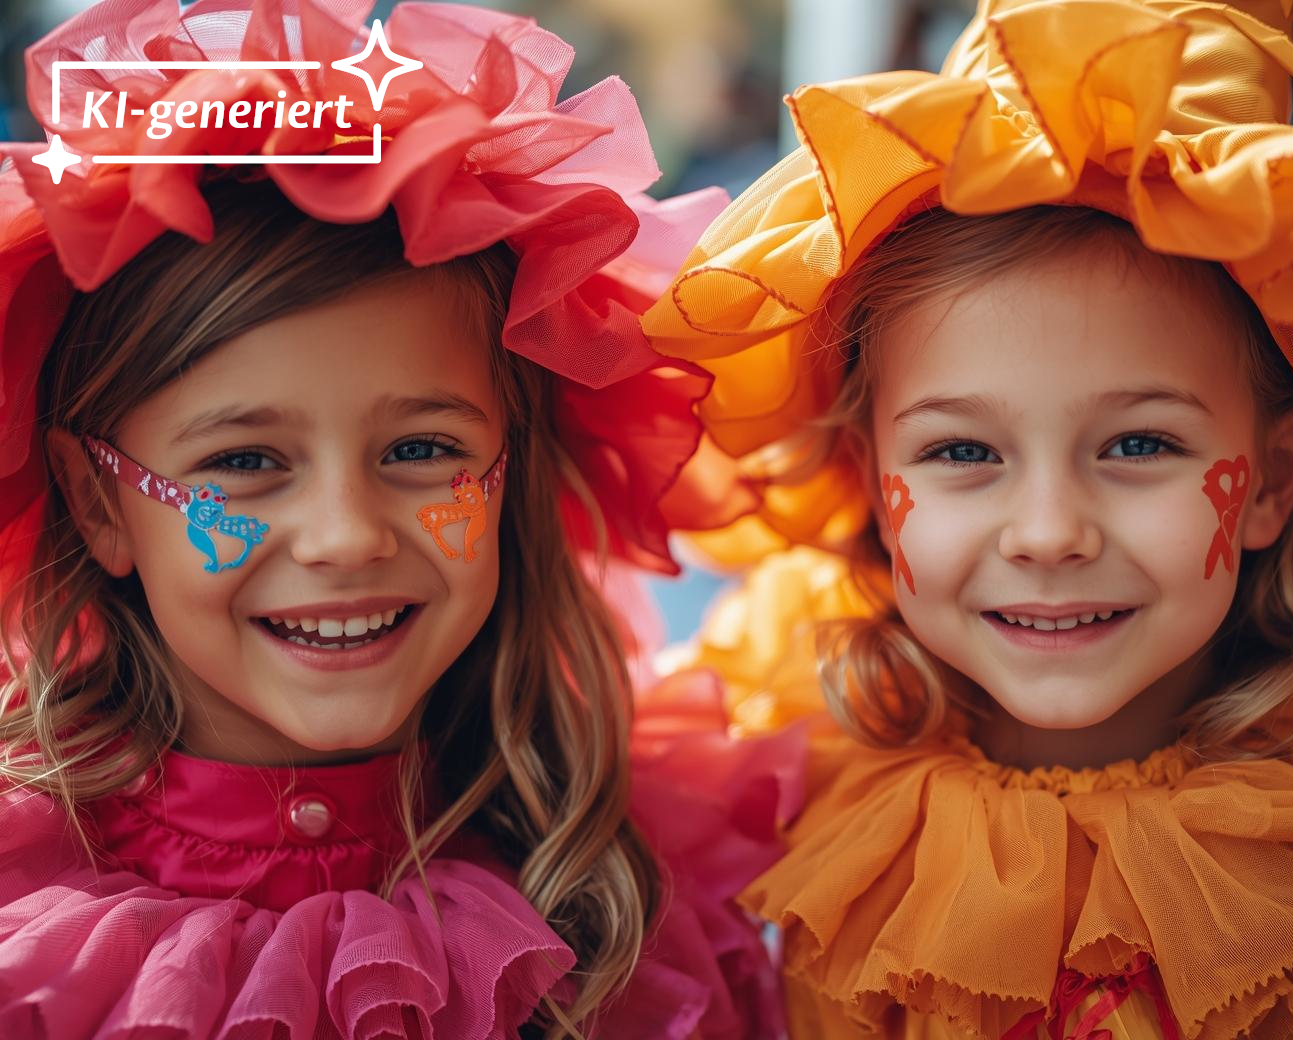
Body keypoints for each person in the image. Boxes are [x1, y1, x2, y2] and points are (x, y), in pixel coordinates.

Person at [0, 1, 798, 1037]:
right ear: (97, 500)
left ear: (512, 464)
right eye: (244, 463)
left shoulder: (639, 897)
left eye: (420, 451)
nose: (347, 536)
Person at [643, 0, 1293, 1035]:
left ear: (1269, 480)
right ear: (872, 481)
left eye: (1138, 445)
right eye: (962, 452)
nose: (1047, 532)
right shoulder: (773, 770)